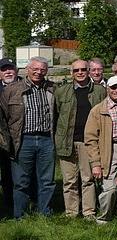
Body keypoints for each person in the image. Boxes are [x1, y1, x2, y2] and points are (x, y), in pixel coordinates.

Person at [0, 57, 57, 218]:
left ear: (46, 71)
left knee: (47, 180)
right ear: (27, 69)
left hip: (46, 139)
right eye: (35, 69)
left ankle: (45, 213)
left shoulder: (52, 88)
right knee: (21, 182)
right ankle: (21, 215)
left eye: (42, 70)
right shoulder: (12, 90)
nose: (38, 72)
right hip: (23, 140)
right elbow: (2, 117)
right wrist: (6, 141)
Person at [54, 59, 107, 218]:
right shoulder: (62, 91)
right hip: (67, 141)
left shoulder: (99, 91)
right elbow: (56, 115)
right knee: (69, 181)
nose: (80, 72)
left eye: (83, 69)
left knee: (88, 179)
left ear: (88, 71)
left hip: (88, 142)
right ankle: (71, 212)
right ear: (71, 73)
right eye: (76, 70)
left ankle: (89, 212)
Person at [84, 75, 117, 223]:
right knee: (109, 187)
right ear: (107, 89)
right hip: (109, 149)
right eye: (113, 87)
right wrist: (95, 163)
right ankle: (105, 217)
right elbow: (90, 138)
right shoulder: (98, 110)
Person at [0, 57, 20, 210]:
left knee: (23, 171)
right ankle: (8, 202)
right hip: (2, 135)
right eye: (3, 69)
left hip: (21, 134)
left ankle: (26, 200)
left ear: (16, 70)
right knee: (6, 171)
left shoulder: (25, 86)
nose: (8, 72)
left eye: (10, 68)